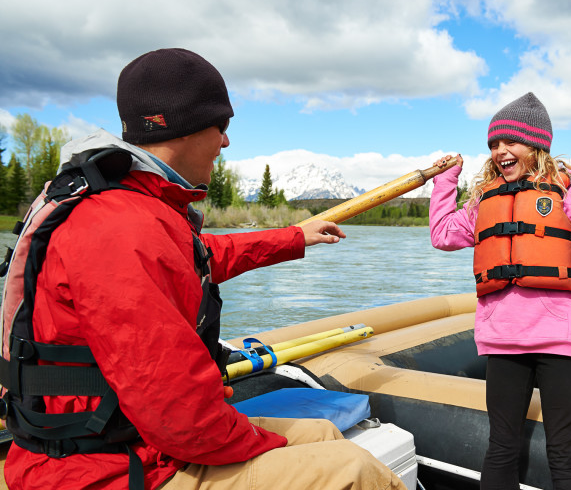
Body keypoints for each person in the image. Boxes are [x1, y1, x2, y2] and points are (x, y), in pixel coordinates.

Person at [1, 48, 406, 490]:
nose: (226, 142)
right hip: (103, 469)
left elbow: (198, 256)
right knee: (356, 470)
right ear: (186, 127)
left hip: (130, 439)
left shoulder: (127, 205)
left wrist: (295, 236)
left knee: (324, 433)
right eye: (222, 126)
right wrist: (251, 436)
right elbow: (184, 419)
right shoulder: (122, 226)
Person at [428, 92, 571, 490]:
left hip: (560, 339)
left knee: (564, 452)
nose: (499, 151)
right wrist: (445, 181)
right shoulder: (484, 199)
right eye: (494, 144)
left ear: (536, 144)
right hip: (503, 338)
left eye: (509, 142)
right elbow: (442, 234)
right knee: (500, 447)